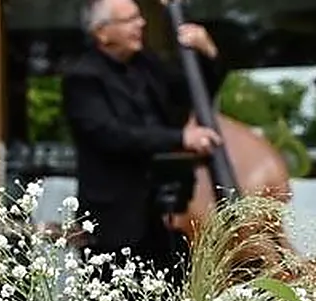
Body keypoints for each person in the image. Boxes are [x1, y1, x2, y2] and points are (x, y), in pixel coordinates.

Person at [61, 0, 224, 275]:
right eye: (129, 20)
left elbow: (191, 93)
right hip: (114, 221)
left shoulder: (147, 65)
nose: (141, 24)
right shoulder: (82, 78)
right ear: (102, 33)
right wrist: (180, 138)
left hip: (161, 214)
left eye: (138, 17)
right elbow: (111, 135)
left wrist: (207, 54)